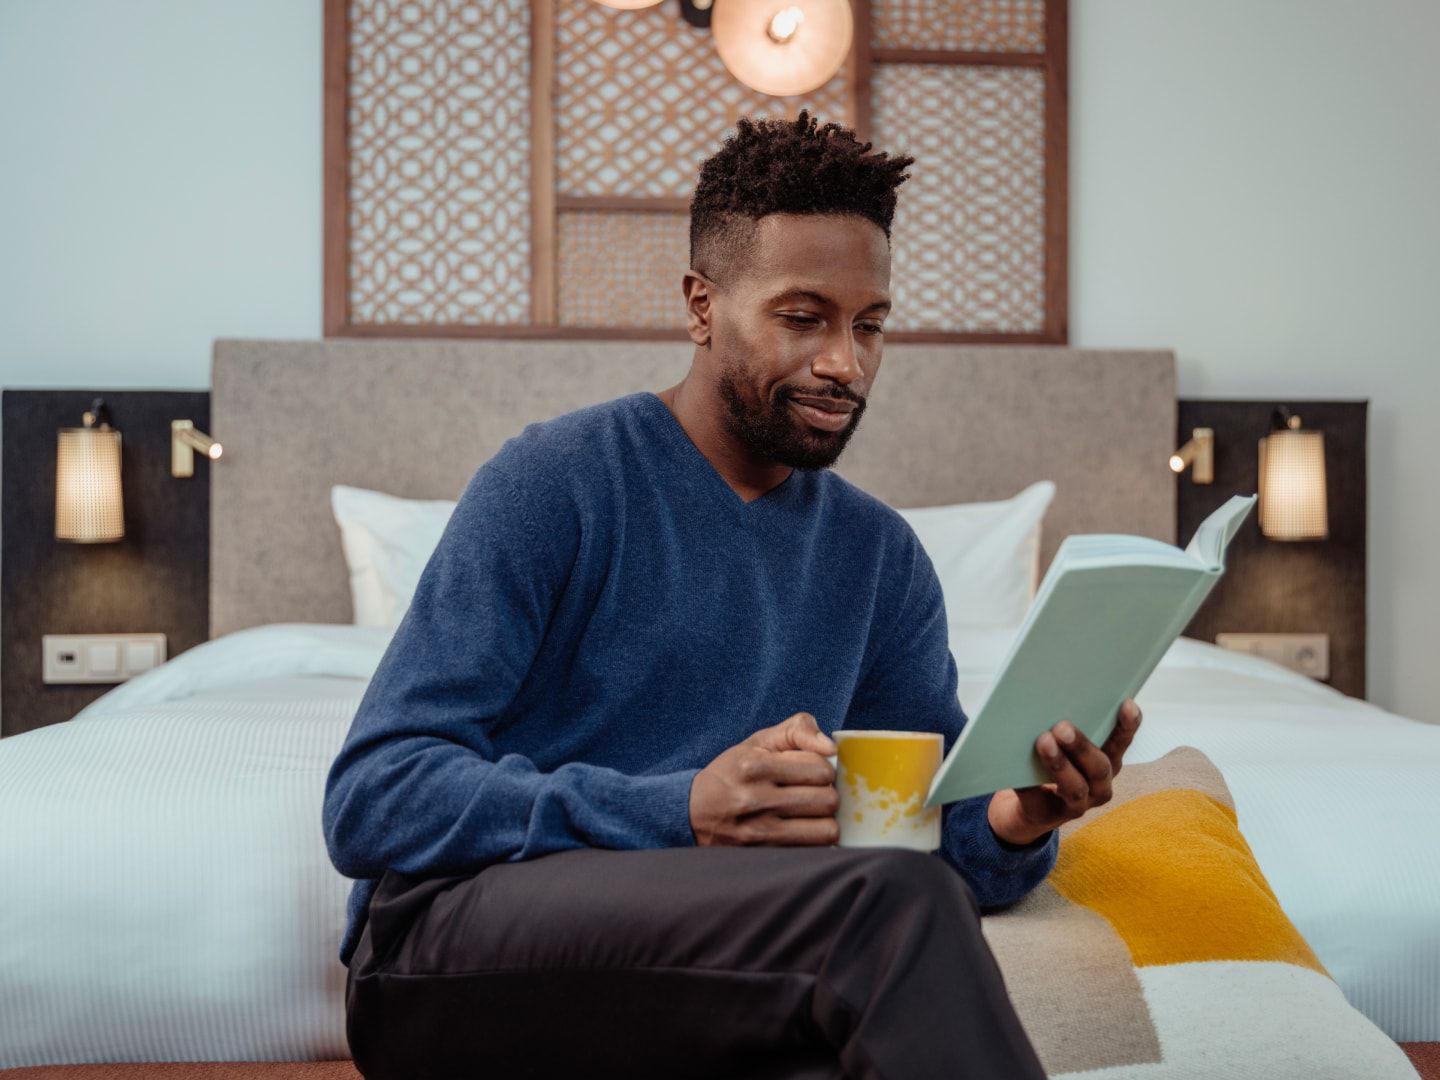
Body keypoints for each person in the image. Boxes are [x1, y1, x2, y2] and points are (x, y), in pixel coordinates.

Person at [323, 111, 1144, 1080]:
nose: (846, 362)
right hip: (450, 945)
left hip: (720, 948)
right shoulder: (555, 483)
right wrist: (685, 809)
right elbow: (372, 799)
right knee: (883, 909)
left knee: (860, 1011)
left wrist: (1015, 819)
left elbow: (918, 835)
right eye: (804, 318)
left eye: (869, 325)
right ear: (702, 307)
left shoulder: (880, 558)